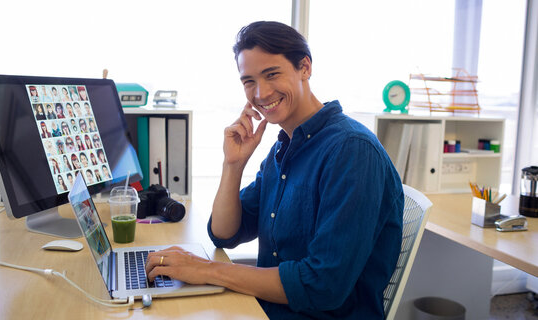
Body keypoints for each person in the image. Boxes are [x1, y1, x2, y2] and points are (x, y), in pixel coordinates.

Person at [144, 21, 404, 319]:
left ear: (304, 67)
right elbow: (224, 233)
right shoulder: (283, 149)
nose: (261, 92)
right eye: (248, 81)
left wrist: (207, 270)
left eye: (272, 74)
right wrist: (233, 165)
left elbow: (322, 286)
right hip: (267, 309)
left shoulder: (352, 150)